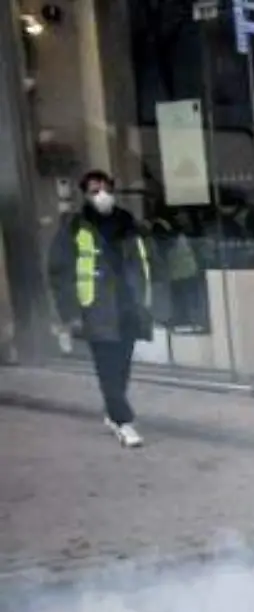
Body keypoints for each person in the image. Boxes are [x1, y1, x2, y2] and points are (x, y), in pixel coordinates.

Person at [47, 170, 155, 448]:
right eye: (94, 191)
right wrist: (69, 313)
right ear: (85, 194)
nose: (102, 195)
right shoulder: (75, 227)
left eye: (105, 188)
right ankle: (123, 421)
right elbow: (60, 272)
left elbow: (144, 262)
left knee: (122, 367)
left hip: (128, 306)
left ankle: (112, 411)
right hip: (95, 310)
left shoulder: (127, 223)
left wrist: (148, 301)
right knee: (108, 368)